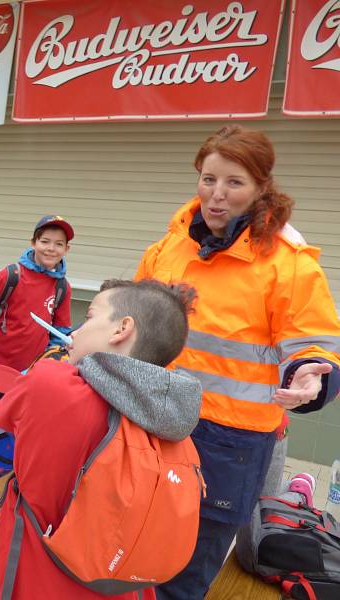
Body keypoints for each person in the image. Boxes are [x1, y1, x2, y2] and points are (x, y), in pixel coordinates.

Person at [136, 124, 340, 599]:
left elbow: (315, 345)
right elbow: (133, 317)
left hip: (230, 442)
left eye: (234, 182)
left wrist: (312, 375)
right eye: (209, 179)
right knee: (139, 547)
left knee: (188, 567)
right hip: (153, 423)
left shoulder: (288, 264)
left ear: (261, 188)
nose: (217, 195)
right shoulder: (171, 246)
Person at [0, 279, 203, 599]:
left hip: (34, 584)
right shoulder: (174, 428)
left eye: (90, 318)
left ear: (121, 329)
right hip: (125, 587)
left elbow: (2, 417)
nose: (74, 333)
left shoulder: (53, 385)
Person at [0, 216, 74, 371]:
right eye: (45, 241)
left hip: (31, 374)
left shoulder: (62, 287)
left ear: (66, 249)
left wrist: (43, 366)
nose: (51, 248)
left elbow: (59, 336)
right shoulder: (10, 276)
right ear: (33, 243)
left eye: (59, 244)